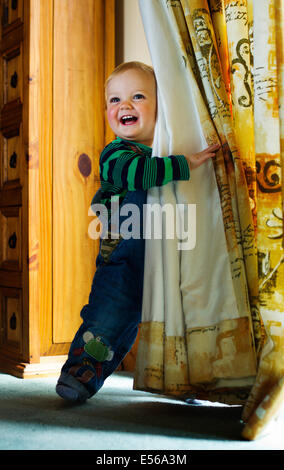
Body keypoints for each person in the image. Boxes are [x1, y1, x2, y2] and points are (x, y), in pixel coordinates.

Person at [56, 61, 220, 403]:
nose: (124, 106)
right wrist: (183, 164)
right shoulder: (116, 154)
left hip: (171, 256)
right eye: (114, 100)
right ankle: (81, 372)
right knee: (111, 315)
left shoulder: (168, 146)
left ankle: (187, 379)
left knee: (187, 317)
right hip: (124, 259)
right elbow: (141, 174)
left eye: (138, 96)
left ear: (161, 106)